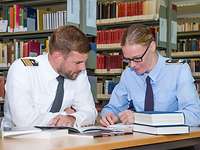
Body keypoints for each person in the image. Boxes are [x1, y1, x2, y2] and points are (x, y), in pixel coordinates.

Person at [100, 24, 200, 127]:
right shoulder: (128, 75)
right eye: (128, 60)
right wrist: (109, 116)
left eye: (137, 58)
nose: (132, 65)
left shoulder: (178, 70)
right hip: (140, 139)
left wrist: (142, 118)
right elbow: (112, 108)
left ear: (152, 47)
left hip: (172, 140)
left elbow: (194, 115)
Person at [3, 25, 97, 128]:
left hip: (60, 139)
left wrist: (73, 118)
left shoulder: (77, 73)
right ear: (57, 56)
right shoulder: (23, 69)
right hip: (19, 140)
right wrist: (65, 115)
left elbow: (91, 112)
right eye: (77, 62)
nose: (83, 67)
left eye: (84, 62)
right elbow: (24, 121)